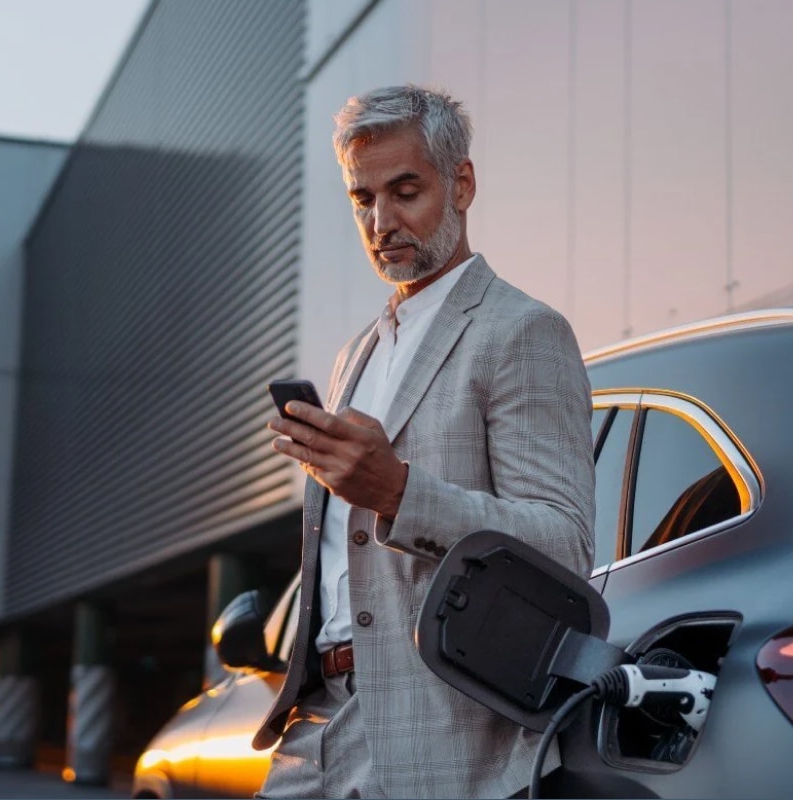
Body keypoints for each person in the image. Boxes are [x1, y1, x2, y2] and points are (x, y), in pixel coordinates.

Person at [252, 84, 595, 799]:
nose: (382, 222)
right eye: (362, 199)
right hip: (318, 726)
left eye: (405, 190)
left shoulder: (521, 331)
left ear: (461, 183)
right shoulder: (358, 355)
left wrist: (401, 493)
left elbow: (564, 543)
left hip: (444, 735)